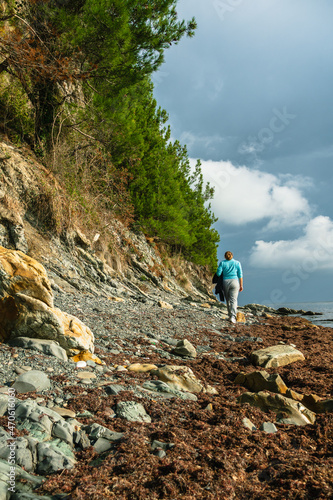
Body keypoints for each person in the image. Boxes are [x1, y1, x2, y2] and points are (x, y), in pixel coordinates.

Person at [215, 251, 243, 324]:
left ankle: (230, 315)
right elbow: (240, 275)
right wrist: (241, 285)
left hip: (225, 282)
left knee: (228, 300)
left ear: (225, 256)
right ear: (232, 255)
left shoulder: (222, 263)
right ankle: (233, 317)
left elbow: (218, 273)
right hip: (235, 282)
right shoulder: (237, 263)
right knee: (234, 300)